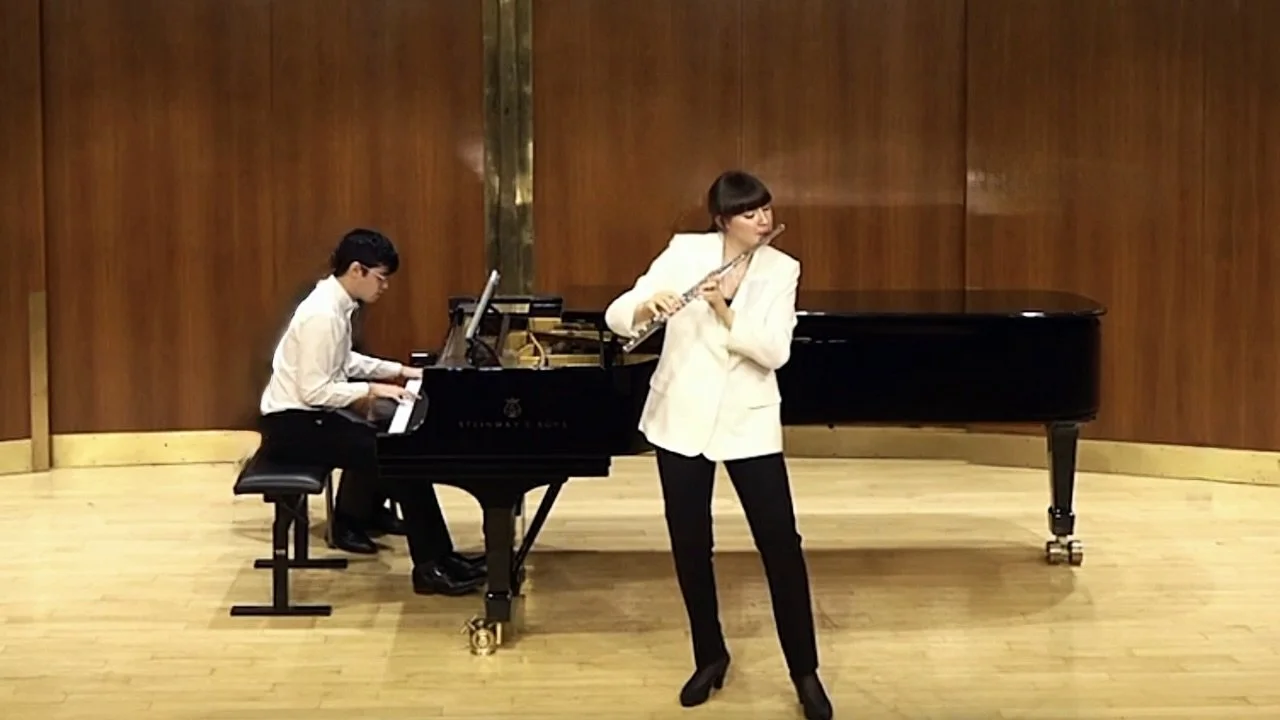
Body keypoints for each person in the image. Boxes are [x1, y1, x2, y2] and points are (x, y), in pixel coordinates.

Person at [604, 172, 833, 719]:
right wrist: (648, 306)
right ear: (723, 220)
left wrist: (725, 312)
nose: (763, 220)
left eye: (765, 210)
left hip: (747, 421)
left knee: (781, 545)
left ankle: (805, 673)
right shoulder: (686, 252)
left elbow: (775, 352)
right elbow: (617, 314)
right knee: (690, 545)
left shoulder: (782, 268)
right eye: (750, 213)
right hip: (680, 416)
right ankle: (709, 656)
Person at [257, 228, 485, 597]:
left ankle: (439, 557)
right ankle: (431, 567)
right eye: (380, 277)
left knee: (391, 444)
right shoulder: (322, 315)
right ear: (356, 270)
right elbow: (315, 391)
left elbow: (344, 360)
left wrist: (400, 371)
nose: (384, 286)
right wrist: (371, 389)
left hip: (306, 417)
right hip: (293, 427)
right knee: (402, 461)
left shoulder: (335, 304)